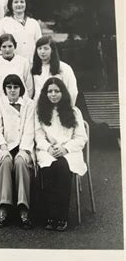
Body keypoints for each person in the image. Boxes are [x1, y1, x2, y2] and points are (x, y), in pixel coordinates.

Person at [35, 77, 87, 231]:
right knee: (49, 167)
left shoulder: (74, 111)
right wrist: (48, 148)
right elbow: (38, 136)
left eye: (56, 91)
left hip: (69, 151)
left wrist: (65, 149)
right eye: (50, 91)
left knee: (63, 167)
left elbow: (81, 138)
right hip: (48, 150)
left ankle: (62, 215)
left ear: (63, 93)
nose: (53, 94)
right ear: (45, 94)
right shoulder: (40, 112)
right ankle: (51, 214)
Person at [0, 74, 35, 228]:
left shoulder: (29, 104)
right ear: (4, 89)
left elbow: (30, 129)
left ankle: (24, 208)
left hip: (23, 145)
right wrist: (3, 147)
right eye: (9, 87)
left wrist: (24, 149)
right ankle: (4, 206)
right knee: (5, 161)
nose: (12, 90)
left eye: (15, 87)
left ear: (21, 89)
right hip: (5, 145)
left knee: (21, 162)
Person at [0, 0, 42, 64]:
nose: (19, 4)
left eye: (22, 2)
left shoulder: (34, 23)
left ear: (26, 4)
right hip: (11, 64)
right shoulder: (3, 23)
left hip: (31, 64)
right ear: (11, 5)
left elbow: (40, 45)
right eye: (16, 2)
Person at [32, 36, 78, 104]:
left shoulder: (64, 68)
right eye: (39, 48)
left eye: (46, 48)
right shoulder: (35, 68)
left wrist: (66, 108)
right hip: (39, 107)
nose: (42, 52)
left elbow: (72, 91)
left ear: (52, 50)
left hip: (60, 107)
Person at [0, 33, 34, 102]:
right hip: (1, 100)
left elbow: (29, 84)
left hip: (20, 100)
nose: (7, 49)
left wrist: (26, 100)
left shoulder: (23, 62)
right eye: (4, 47)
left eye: (10, 46)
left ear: (14, 46)